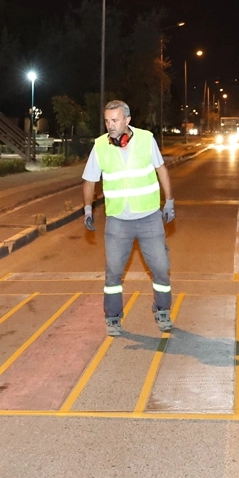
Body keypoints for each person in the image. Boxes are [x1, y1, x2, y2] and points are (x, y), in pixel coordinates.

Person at [82, 100, 176, 337]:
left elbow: (161, 169)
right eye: (106, 120)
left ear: (127, 120)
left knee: (161, 267)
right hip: (117, 221)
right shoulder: (100, 146)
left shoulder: (146, 139)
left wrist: (170, 200)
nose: (110, 125)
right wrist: (87, 208)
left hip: (149, 218)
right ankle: (113, 317)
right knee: (113, 270)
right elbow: (90, 180)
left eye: (114, 120)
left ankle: (162, 310)